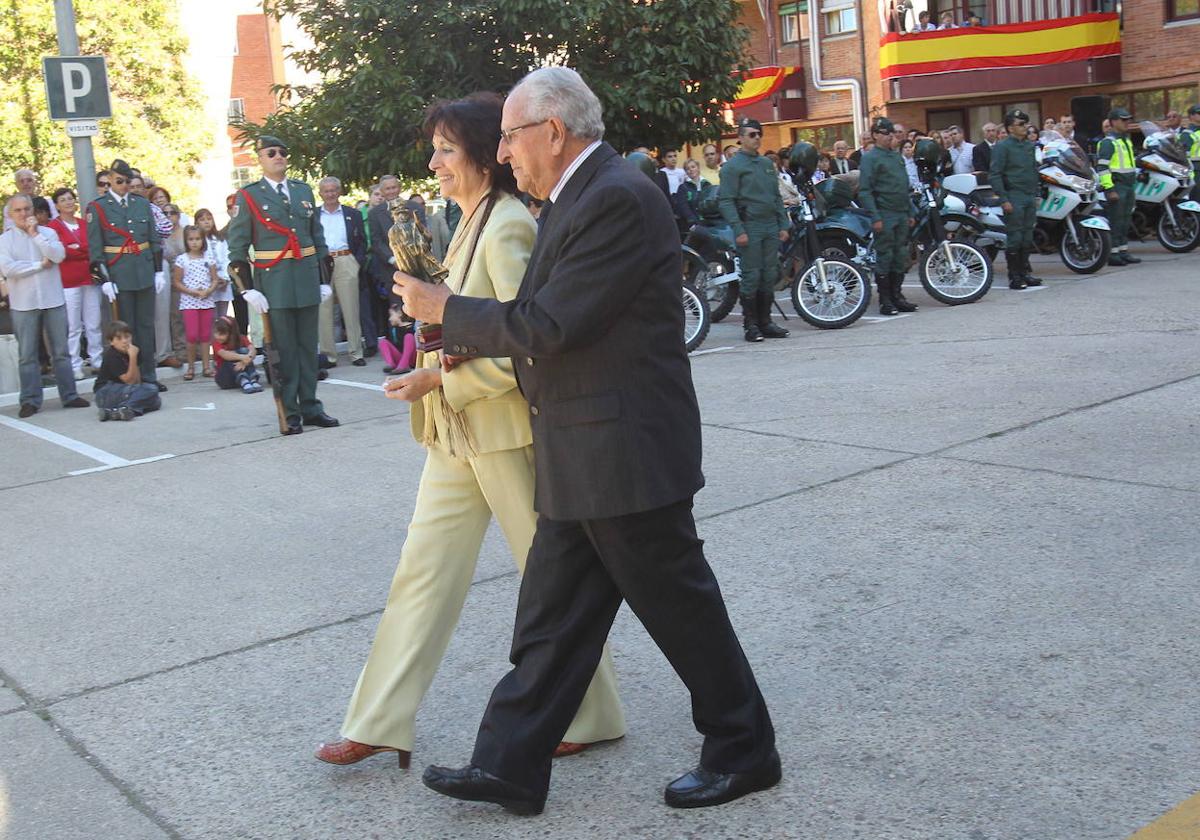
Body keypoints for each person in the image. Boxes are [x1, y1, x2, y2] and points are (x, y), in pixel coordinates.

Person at [397, 65, 779, 816]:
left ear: (554, 131)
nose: (503, 153)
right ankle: (508, 765)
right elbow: (549, 318)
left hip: (623, 451)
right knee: (551, 619)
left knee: (680, 607)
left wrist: (449, 308)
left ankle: (744, 749)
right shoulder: (580, 196)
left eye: (509, 137)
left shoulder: (614, 198)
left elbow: (551, 327)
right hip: (584, 445)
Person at [317, 89, 628, 775]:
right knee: (421, 575)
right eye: (434, 150)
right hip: (457, 437)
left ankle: (592, 712)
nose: (433, 164)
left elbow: (531, 345)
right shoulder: (467, 221)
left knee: (550, 584)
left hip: (507, 434)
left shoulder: (508, 224)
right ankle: (378, 721)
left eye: (446, 150)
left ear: (488, 155)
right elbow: (465, 322)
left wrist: (439, 377)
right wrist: (429, 334)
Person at [226, 135, 339, 435]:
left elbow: (317, 239)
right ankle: (290, 412)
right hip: (274, 285)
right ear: (260, 159)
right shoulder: (248, 196)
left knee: (307, 350)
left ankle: (311, 406)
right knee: (284, 352)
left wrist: (323, 280)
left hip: (305, 281)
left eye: (283, 152)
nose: (279, 156)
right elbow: (237, 247)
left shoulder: (302, 191)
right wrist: (247, 289)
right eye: (271, 152)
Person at [0, 195, 90, 417]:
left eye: (27, 209)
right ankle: (30, 400)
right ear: (10, 215)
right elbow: (9, 269)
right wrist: (39, 265)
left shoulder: (48, 232)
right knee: (27, 354)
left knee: (61, 351)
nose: (23, 214)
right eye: (18, 210)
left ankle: (69, 395)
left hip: (53, 299)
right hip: (24, 303)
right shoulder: (5, 240)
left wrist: (36, 236)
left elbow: (58, 256)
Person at [85, 159, 166, 392]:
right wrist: (104, 279)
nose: (124, 185)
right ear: (109, 179)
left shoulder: (141, 204)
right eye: (119, 181)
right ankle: (129, 377)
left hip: (143, 270)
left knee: (146, 327)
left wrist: (158, 270)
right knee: (124, 329)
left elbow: (153, 239)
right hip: (119, 273)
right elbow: (96, 248)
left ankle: (149, 375)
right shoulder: (98, 207)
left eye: (127, 181)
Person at [719, 117, 791, 342]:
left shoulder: (766, 165)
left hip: (770, 224)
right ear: (740, 138)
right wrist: (738, 229)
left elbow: (776, 197)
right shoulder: (733, 167)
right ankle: (750, 325)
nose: (757, 138)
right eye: (751, 134)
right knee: (752, 275)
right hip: (750, 225)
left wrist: (783, 224)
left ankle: (766, 321)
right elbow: (726, 201)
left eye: (759, 134)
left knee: (769, 274)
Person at [858, 117, 917, 315]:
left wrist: (910, 211)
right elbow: (865, 190)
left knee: (900, 256)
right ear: (875, 135)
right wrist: (875, 217)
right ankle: (885, 300)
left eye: (891, 133)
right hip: (884, 213)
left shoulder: (896, 157)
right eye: (885, 133)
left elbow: (903, 188)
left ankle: (897, 296)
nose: (889, 136)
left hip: (900, 212)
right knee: (885, 256)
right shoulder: (870, 158)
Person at [47, 188, 100, 378]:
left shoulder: (84, 224)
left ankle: (97, 359)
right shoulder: (53, 227)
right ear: (57, 205)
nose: (68, 202)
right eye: (63, 200)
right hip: (68, 281)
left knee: (93, 322)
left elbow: (92, 247)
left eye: (71, 198)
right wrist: (77, 250)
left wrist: (76, 249)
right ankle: (75, 364)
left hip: (89, 278)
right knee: (73, 325)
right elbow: (61, 253)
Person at [316, 176, 368, 367]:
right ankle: (328, 355)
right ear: (320, 193)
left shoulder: (352, 214)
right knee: (324, 310)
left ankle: (356, 352)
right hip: (322, 262)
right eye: (326, 190)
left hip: (346, 260)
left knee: (351, 308)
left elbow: (362, 241)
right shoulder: (313, 215)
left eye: (333, 190)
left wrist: (356, 262)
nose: (330, 194)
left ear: (339, 191)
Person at [989, 109, 1041, 289]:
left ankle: (1025, 273)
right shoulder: (1002, 147)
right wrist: (1004, 199)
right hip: (1014, 195)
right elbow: (995, 175)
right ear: (1010, 128)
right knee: (1015, 237)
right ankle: (1015, 276)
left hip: (1028, 195)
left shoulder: (1028, 146)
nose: (1025, 127)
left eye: (1026, 123)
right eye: (1021, 124)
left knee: (1027, 236)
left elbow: (1033, 170)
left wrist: (1036, 193)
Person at [172, 224, 219, 379]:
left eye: (198, 239)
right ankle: (191, 367)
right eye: (191, 239)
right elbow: (177, 282)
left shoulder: (208, 258)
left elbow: (214, 279)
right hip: (189, 302)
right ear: (186, 241)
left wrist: (208, 291)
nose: (194, 242)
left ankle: (206, 366)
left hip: (206, 301)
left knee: (206, 335)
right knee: (192, 335)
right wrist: (192, 292)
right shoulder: (182, 260)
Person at [92, 319, 162, 420]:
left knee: (156, 402)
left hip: (124, 391)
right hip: (105, 392)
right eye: (119, 338)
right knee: (151, 390)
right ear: (111, 342)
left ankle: (114, 412)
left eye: (127, 337)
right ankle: (126, 407)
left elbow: (137, 382)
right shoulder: (112, 355)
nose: (124, 341)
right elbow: (129, 381)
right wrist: (133, 357)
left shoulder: (133, 351)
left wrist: (134, 357)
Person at [1097, 107, 1139, 266]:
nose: (1127, 122)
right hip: (1117, 185)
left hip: (1128, 185)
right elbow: (1102, 168)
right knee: (1116, 220)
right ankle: (1113, 254)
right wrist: (1110, 189)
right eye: (1124, 120)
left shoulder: (1126, 140)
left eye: (1128, 119)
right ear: (1113, 122)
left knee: (1125, 220)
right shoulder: (1108, 142)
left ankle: (1123, 251)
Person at [210, 315, 263, 393]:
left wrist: (245, 361)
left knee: (245, 350)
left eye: (221, 334)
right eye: (216, 333)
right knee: (231, 355)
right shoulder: (216, 343)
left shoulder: (242, 338)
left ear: (231, 333)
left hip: (239, 371)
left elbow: (253, 350)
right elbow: (225, 355)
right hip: (225, 378)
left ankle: (252, 379)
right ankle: (243, 380)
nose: (217, 336)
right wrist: (243, 358)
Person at [194, 209, 232, 318]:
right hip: (207, 284)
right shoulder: (197, 241)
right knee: (210, 317)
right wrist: (213, 279)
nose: (207, 222)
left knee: (222, 316)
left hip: (223, 282)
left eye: (209, 219)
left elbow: (226, 258)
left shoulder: (220, 239)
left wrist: (224, 277)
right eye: (202, 220)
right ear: (197, 223)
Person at [1179, 104, 1200, 200]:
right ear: (1191, 116)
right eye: (1199, 113)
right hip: (1196, 172)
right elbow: (1182, 156)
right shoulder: (1187, 134)